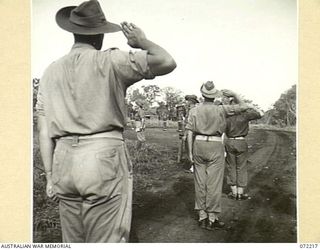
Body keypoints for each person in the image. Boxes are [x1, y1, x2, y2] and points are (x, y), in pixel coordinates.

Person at [35, 0, 176, 243]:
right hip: (102, 157)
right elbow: (166, 61)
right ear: (99, 35)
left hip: (63, 161)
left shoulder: (50, 71)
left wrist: (49, 176)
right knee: (106, 240)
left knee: (72, 241)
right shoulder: (110, 61)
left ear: (73, 32)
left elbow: (44, 129)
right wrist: (141, 41)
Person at [185, 81, 249, 231]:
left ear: (202, 95)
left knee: (200, 182)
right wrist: (234, 94)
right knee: (214, 184)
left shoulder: (194, 110)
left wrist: (189, 152)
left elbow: (189, 132)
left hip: (198, 144)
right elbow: (245, 107)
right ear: (214, 96)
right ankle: (212, 218)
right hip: (214, 145)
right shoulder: (222, 109)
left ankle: (202, 217)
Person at [225, 98, 264, 200]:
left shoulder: (227, 117)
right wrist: (250, 106)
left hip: (229, 141)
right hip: (241, 142)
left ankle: (233, 192)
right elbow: (261, 114)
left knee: (231, 167)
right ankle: (240, 193)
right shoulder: (245, 115)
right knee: (241, 167)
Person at [181, 95, 199, 171]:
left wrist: (185, 134)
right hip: (194, 132)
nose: (186, 102)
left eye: (187, 101)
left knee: (189, 149)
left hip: (191, 132)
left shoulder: (192, 110)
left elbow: (188, 124)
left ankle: (191, 165)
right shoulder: (196, 109)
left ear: (190, 102)